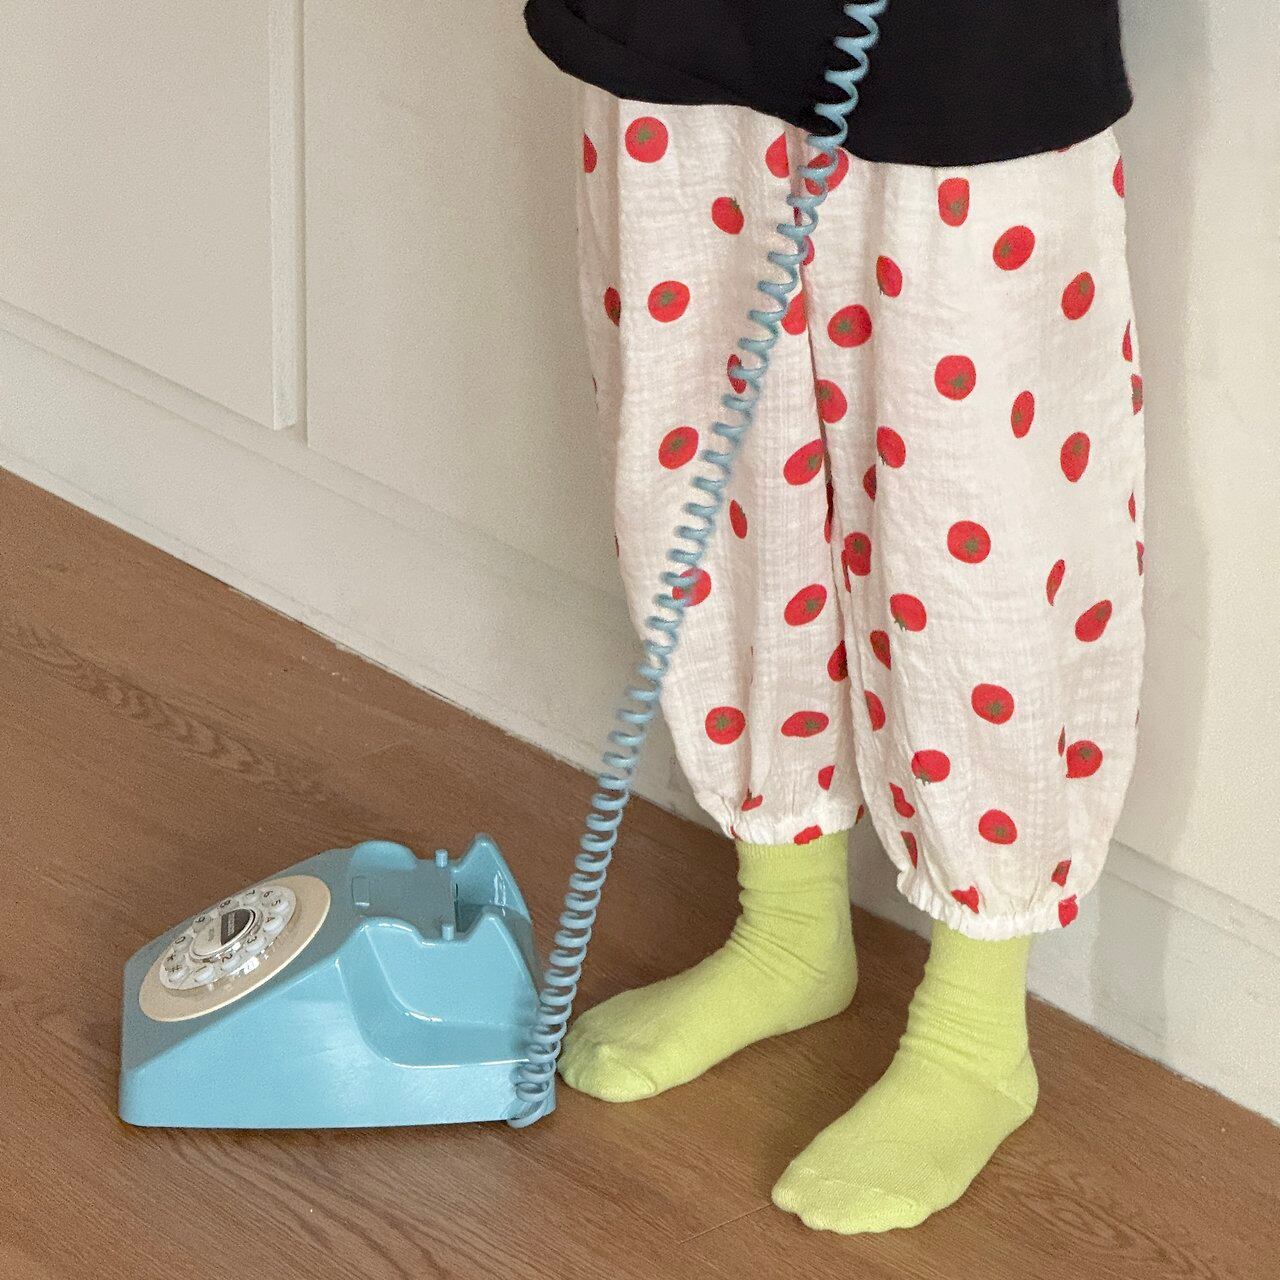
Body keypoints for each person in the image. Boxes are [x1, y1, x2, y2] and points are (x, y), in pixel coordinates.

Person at [524, 0, 1146, 1235]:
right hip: (682, 29)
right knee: (708, 436)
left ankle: (973, 1028)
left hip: (963, 47)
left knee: (975, 504)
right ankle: (786, 925)